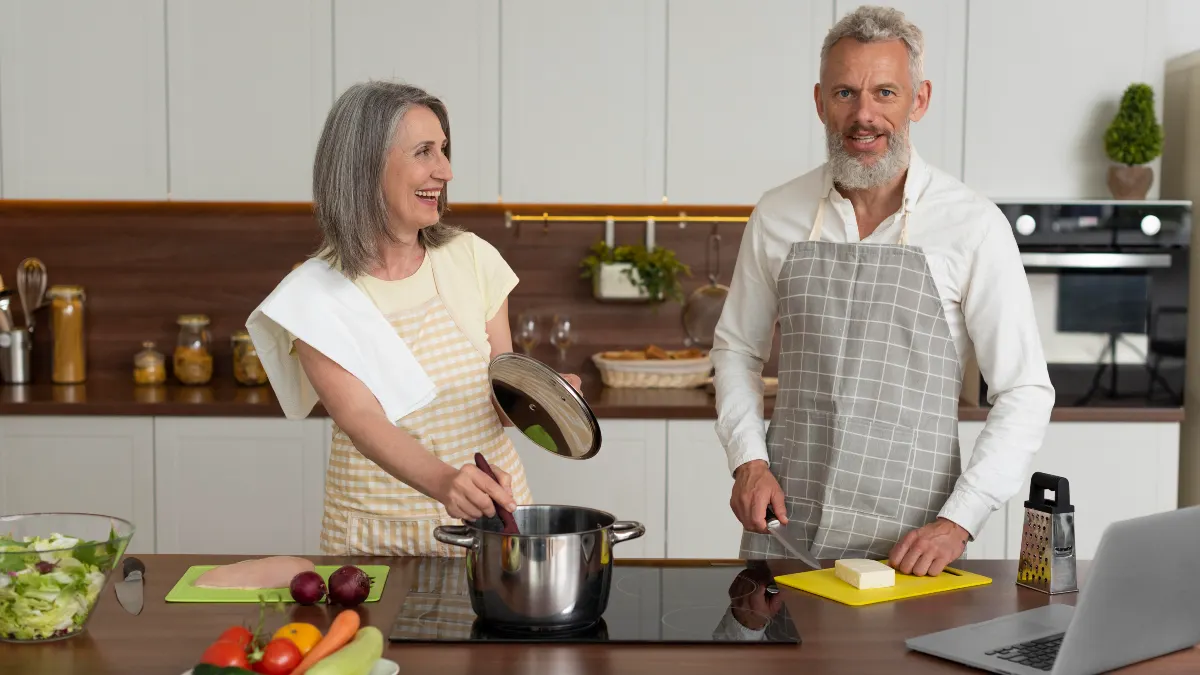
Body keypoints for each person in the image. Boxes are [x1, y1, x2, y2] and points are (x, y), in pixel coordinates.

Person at [711, 6, 1055, 577]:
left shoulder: (973, 225)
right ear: (820, 101)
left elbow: (1023, 391)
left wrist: (959, 521)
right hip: (787, 532)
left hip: (913, 546)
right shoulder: (777, 213)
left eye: (885, 92)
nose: (864, 115)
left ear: (918, 100)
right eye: (845, 92)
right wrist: (747, 460)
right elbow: (736, 350)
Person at [247, 80, 581, 557]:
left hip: (490, 523)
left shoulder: (471, 258)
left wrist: (541, 399)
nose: (444, 170)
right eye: (424, 152)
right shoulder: (314, 296)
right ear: (364, 168)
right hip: (375, 537)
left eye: (443, 150)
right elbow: (362, 419)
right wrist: (446, 482)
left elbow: (497, 394)